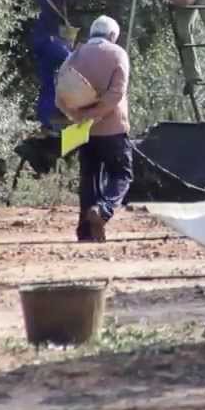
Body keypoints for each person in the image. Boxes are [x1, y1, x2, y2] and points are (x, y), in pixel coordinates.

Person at [56, 15, 133, 243]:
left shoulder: (74, 55)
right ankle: (103, 209)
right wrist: (96, 114)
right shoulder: (118, 54)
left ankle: (86, 233)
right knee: (122, 174)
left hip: (84, 130)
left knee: (89, 178)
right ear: (112, 35)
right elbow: (116, 94)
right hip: (113, 128)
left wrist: (79, 117)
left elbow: (60, 95)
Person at [30, 0, 125, 133]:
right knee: (77, 68)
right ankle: (81, 116)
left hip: (40, 40)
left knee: (49, 82)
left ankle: (47, 123)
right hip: (53, 42)